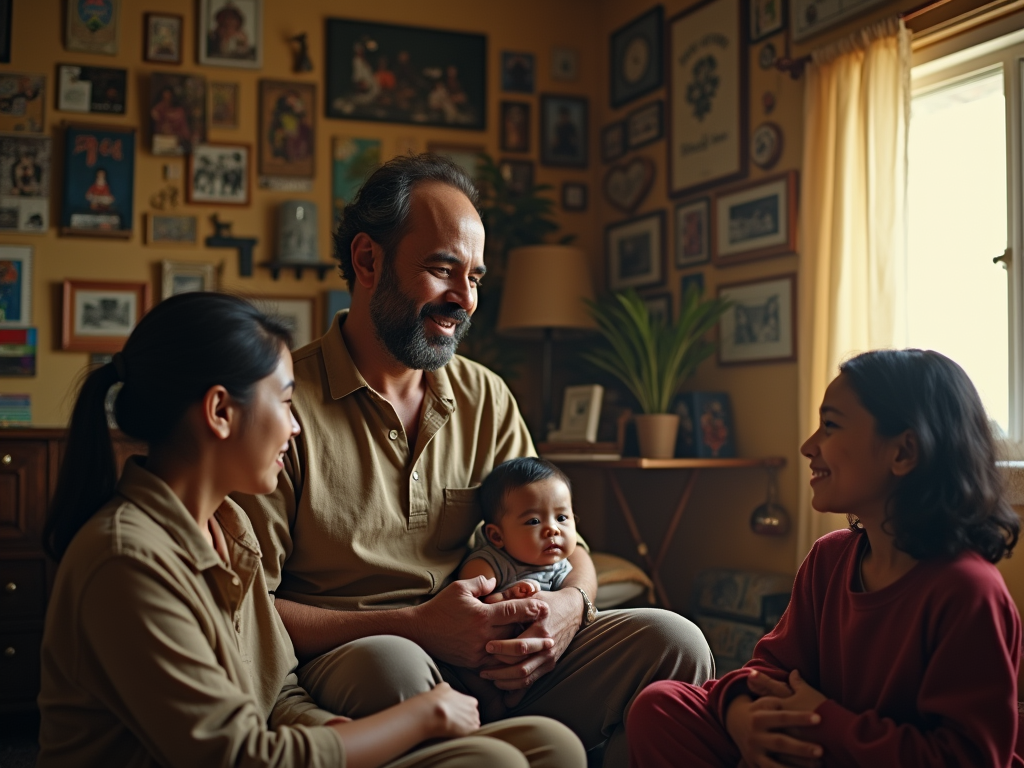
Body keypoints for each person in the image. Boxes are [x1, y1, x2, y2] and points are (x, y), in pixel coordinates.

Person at [234, 153, 714, 768]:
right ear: (367, 260)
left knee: (674, 641)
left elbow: (573, 550)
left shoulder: (485, 395)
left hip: (502, 664)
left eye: (477, 278)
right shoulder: (281, 403)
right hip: (371, 663)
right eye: (442, 269)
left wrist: (567, 612)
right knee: (395, 663)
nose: (464, 299)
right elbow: (249, 608)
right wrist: (417, 625)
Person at [37, 292, 586, 768]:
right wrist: (422, 717)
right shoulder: (127, 561)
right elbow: (235, 757)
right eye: (283, 402)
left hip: (279, 746)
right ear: (221, 412)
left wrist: (336, 729)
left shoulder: (229, 531)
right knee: (488, 760)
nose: (296, 426)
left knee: (549, 746)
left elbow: (277, 690)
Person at [628, 349, 1024, 768]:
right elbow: (771, 669)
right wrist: (739, 714)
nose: (808, 446)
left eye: (830, 426)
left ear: (904, 452)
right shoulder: (830, 557)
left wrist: (823, 722)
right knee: (660, 705)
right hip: (816, 749)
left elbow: (968, 757)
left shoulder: (967, 591)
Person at [459, 457, 577, 600]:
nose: (553, 529)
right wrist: (506, 596)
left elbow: (574, 604)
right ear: (497, 536)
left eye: (561, 518)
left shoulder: (562, 565)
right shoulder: (488, 566)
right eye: (534, 521)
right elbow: (472, 609)